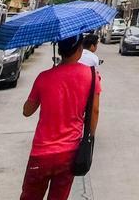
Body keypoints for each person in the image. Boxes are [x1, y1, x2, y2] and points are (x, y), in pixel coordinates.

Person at [20, 35, 101, 200]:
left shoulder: (43, 77)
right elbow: (94, 111)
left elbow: (27, 111)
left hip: (40, 153)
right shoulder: (91, 76)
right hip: (69, 153)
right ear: (79, 50)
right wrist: (90, 138)